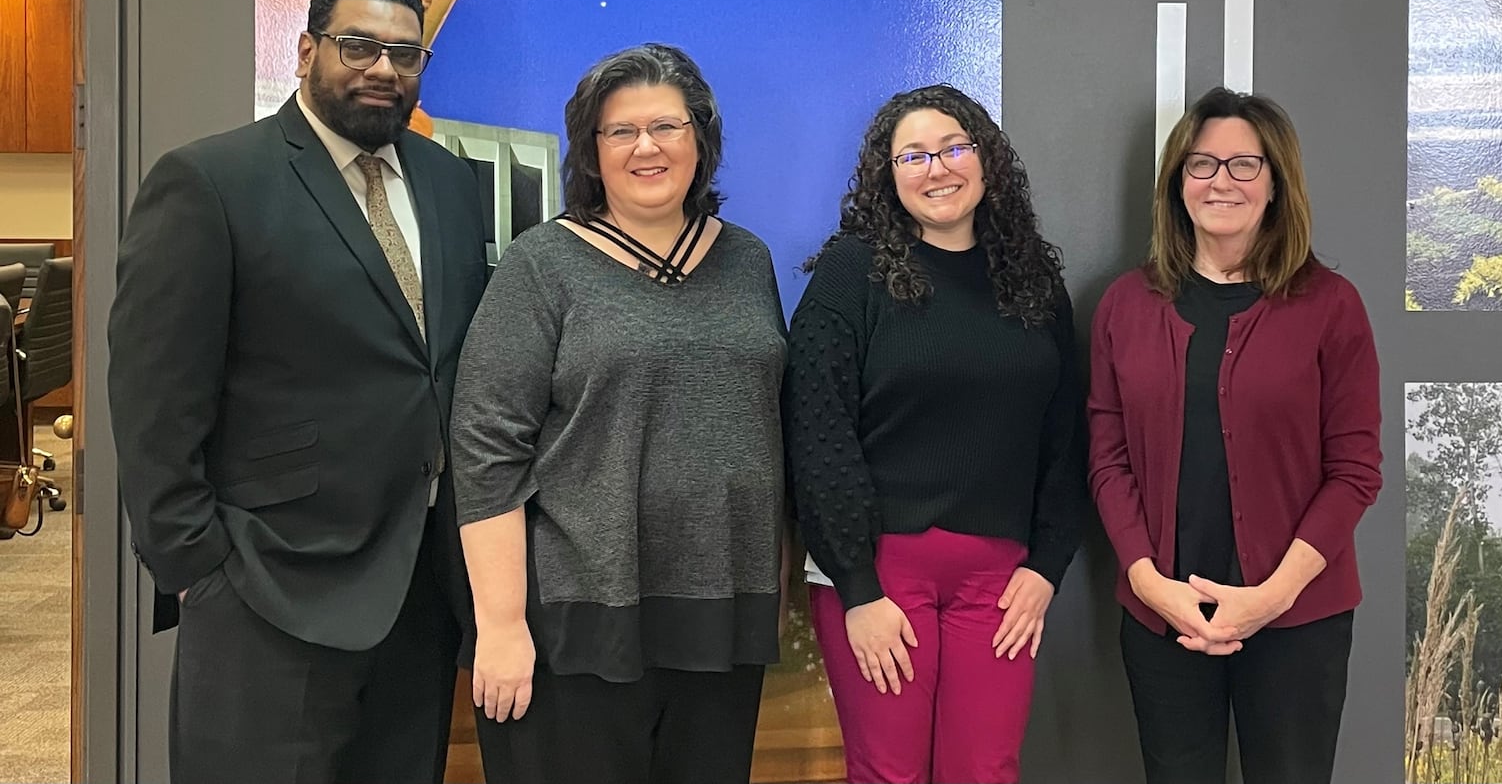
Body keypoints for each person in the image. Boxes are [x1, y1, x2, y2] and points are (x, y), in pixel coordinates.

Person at [107, 0, 487, 784]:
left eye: (405, 52)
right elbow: (153, 402)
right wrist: (199, 568)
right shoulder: (211, 182)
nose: (384, 69)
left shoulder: (451, 184)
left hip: (419, 590)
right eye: (359, 46)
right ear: (308, 49)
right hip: (267, 588)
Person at [450, 42, 788, 784]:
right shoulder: (541, 264)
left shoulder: (749, 260)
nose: (647, 147)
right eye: (621, 130)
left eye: (666, 126)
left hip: (722, 616)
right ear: (590, 150)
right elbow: (484, 450)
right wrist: (501, 625)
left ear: (701, 139)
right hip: (580, 619)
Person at [783, 84, 1089, 784]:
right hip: (879, 572)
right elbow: (816, 432)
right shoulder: (850, 275)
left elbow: (1066, 437)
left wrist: (1046, 566)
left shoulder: (1033, 282)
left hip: (1002, 578)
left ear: (986, 161)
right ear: (887, 176)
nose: (936, 168)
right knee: (889, 772)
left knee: (984, 769)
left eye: (954, 148)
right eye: (912, 155)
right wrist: (856, 587)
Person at [1087, 86, 1382, 784]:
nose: (1220, 180)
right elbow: (1106, 453)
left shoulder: (1332, 306)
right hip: (1164, 617)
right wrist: (1147, 579)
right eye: (1201, 163)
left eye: (1244, 165)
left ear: (1276, 184)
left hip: (1298, 619)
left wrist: (1272, 595)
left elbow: (1355, 470)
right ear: (1175, 182)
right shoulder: (1125, 306)